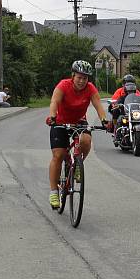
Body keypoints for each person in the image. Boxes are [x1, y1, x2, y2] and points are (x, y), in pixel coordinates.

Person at [45, 60, 108, 209]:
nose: (81, 81)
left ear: (88, 79)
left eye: (85, 78)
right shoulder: (63, 85)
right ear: (73, 76)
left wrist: (105, 120)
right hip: (60, 122)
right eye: (79, 77)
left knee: (86, 140)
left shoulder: (90, 89)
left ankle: (77, 164)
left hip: (79, 121)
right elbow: (54, 101)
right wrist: (53, 117)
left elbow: (98, 105)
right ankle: (54, 192)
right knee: (58, 155)